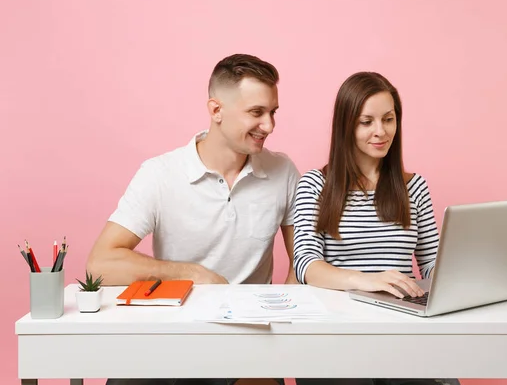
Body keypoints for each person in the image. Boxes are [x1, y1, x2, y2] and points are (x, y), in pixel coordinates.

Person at [87, 54, 299, 385]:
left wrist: (280, 323)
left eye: (272, 112)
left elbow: (303, 261)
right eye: (256, 113)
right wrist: (190, 274)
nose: (269, 126)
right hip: (167, 334)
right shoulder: (159, 174)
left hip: (246, 340)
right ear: (216, 111)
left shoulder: (283, 172)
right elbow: (100, 263)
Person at [292, 72, 460, 385]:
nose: (380, 132)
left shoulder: (415, 187)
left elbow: (432, 262)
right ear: (346, 125)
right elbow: (306, 265)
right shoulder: (315, 185)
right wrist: (367, 281)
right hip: (336, 331)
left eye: (388, 119)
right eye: (366, 121)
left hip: (403, 327)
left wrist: (458, 280)